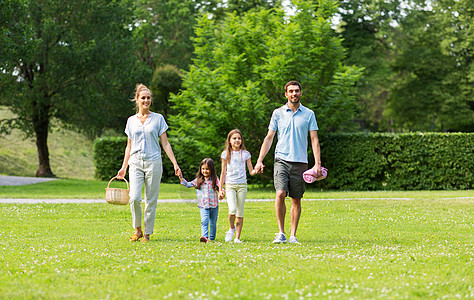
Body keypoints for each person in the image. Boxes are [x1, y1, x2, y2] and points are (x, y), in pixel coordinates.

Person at [254, 81, 322, 244]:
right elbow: (269, 137)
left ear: (301, 93)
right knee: (280, 193)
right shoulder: (278, 113)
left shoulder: (309, 114)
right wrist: (259, 160)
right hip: (281, 160)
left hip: (300, 162)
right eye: (290, 91)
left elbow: (314, 139)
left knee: (296, 199)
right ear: (286, 94)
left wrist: (317, 164)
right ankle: (281, 232)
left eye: (297, 91)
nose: (294, 94)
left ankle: (293, 235)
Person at [117, 84, 180, 243]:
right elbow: (128, 146)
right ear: (137, 100)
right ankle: (137, 230)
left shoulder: (158, 118)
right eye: (143, 98)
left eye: (148, 98)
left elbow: (165, 144)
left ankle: (147, 234)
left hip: (154, 162)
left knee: (151, 200)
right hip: (136, 162)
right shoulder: (131, 121)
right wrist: (124, 167)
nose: (146, 100)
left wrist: (175, 164)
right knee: (134, 198)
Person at [219, 129, 257, 243]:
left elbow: (251, 171)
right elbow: (223, 172)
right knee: (232, 210)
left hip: (242, 186)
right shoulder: (226, 154)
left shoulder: (246, 154)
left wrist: (257, 170)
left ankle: (237, 238)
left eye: (239, 138)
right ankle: (231, 228)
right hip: (230, 185)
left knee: (240, 212)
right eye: (234, 138)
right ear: (229, 141)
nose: (237, 140)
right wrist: (221, 189)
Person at [179, 158, 220, 243]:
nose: (205, 171)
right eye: (203, 169)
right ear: (200, 169)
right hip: (203, 205)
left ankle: (211, 238)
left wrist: (221, 192)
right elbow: (188, 184)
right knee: (204, 221)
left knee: (212, 223)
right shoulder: (198, 180)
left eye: (207, 169)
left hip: (214, 205)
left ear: (212, 169)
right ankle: (204, 237)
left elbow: (220, 188)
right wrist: (181, 178)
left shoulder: (215, 179)